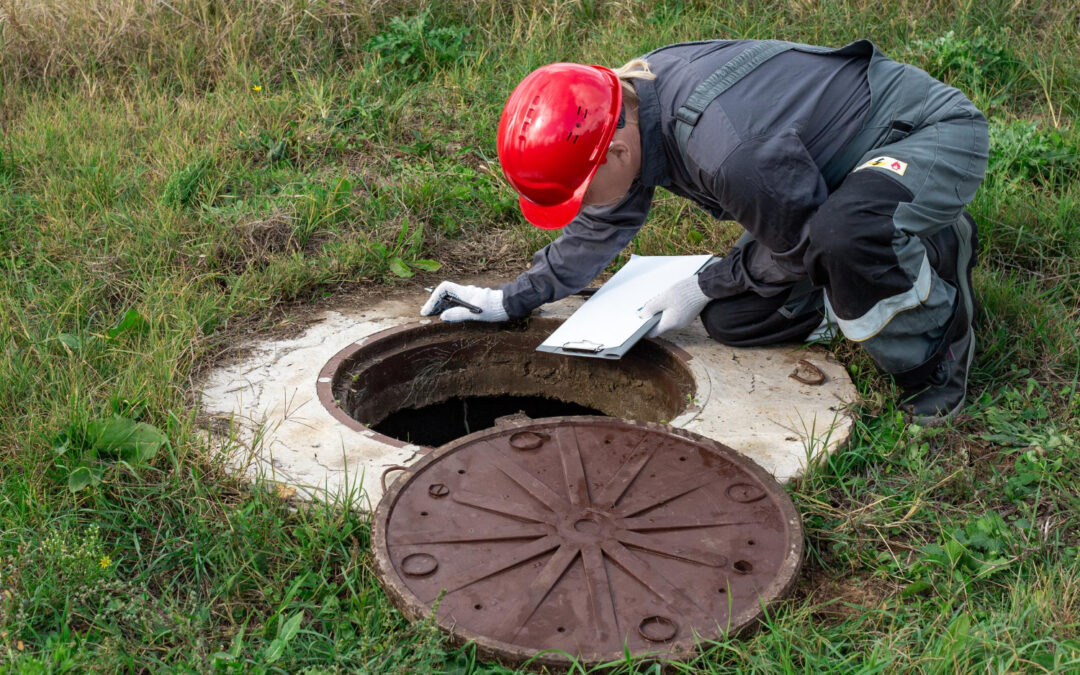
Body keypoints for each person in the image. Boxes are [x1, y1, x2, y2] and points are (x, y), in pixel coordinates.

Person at [420, 39, 989, 424]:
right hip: (811, 175)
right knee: (733, 319)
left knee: (845, 237)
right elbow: (604, 223)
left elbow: (801, 245)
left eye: (580, 191)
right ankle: (874, 248)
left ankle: (934, 354)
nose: (582, 208)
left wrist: (701, 281)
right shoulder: (626, 100)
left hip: (917, 134)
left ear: (616, 151)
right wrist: (509, 299)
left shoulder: (729, 150)